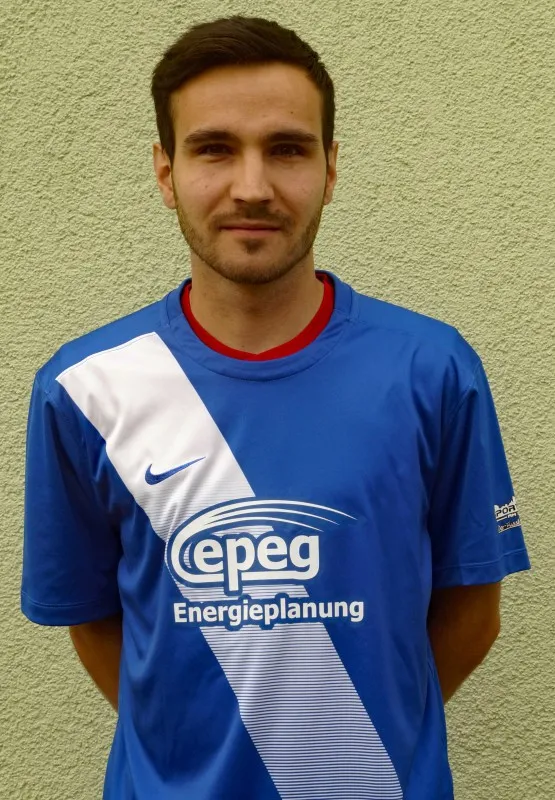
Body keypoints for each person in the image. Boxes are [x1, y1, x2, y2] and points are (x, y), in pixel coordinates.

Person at [21, 14, 531, 800]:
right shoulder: (86, 386)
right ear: (165, 171)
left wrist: (355, 745)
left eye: (287, 149)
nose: (252, 187)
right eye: (214, 148)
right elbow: (91, 617)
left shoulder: (431, 369)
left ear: (330, 168)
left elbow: (471, 611)